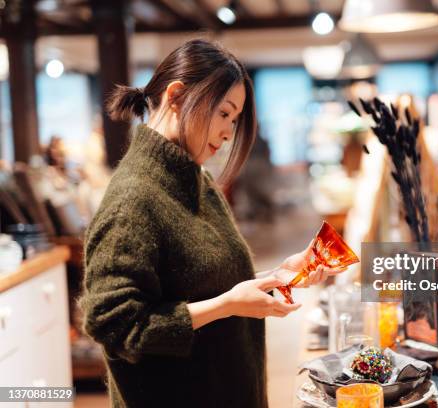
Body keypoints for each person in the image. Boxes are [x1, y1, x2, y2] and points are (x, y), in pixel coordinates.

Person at [78, 39, 345, 408]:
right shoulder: (131, 201)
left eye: (234, 120)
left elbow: (207, 284)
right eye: (224, 114)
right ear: (176, 97)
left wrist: (279, 276)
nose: (228, 132)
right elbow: (115, 326)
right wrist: (227, 305)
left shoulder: (196, 181)